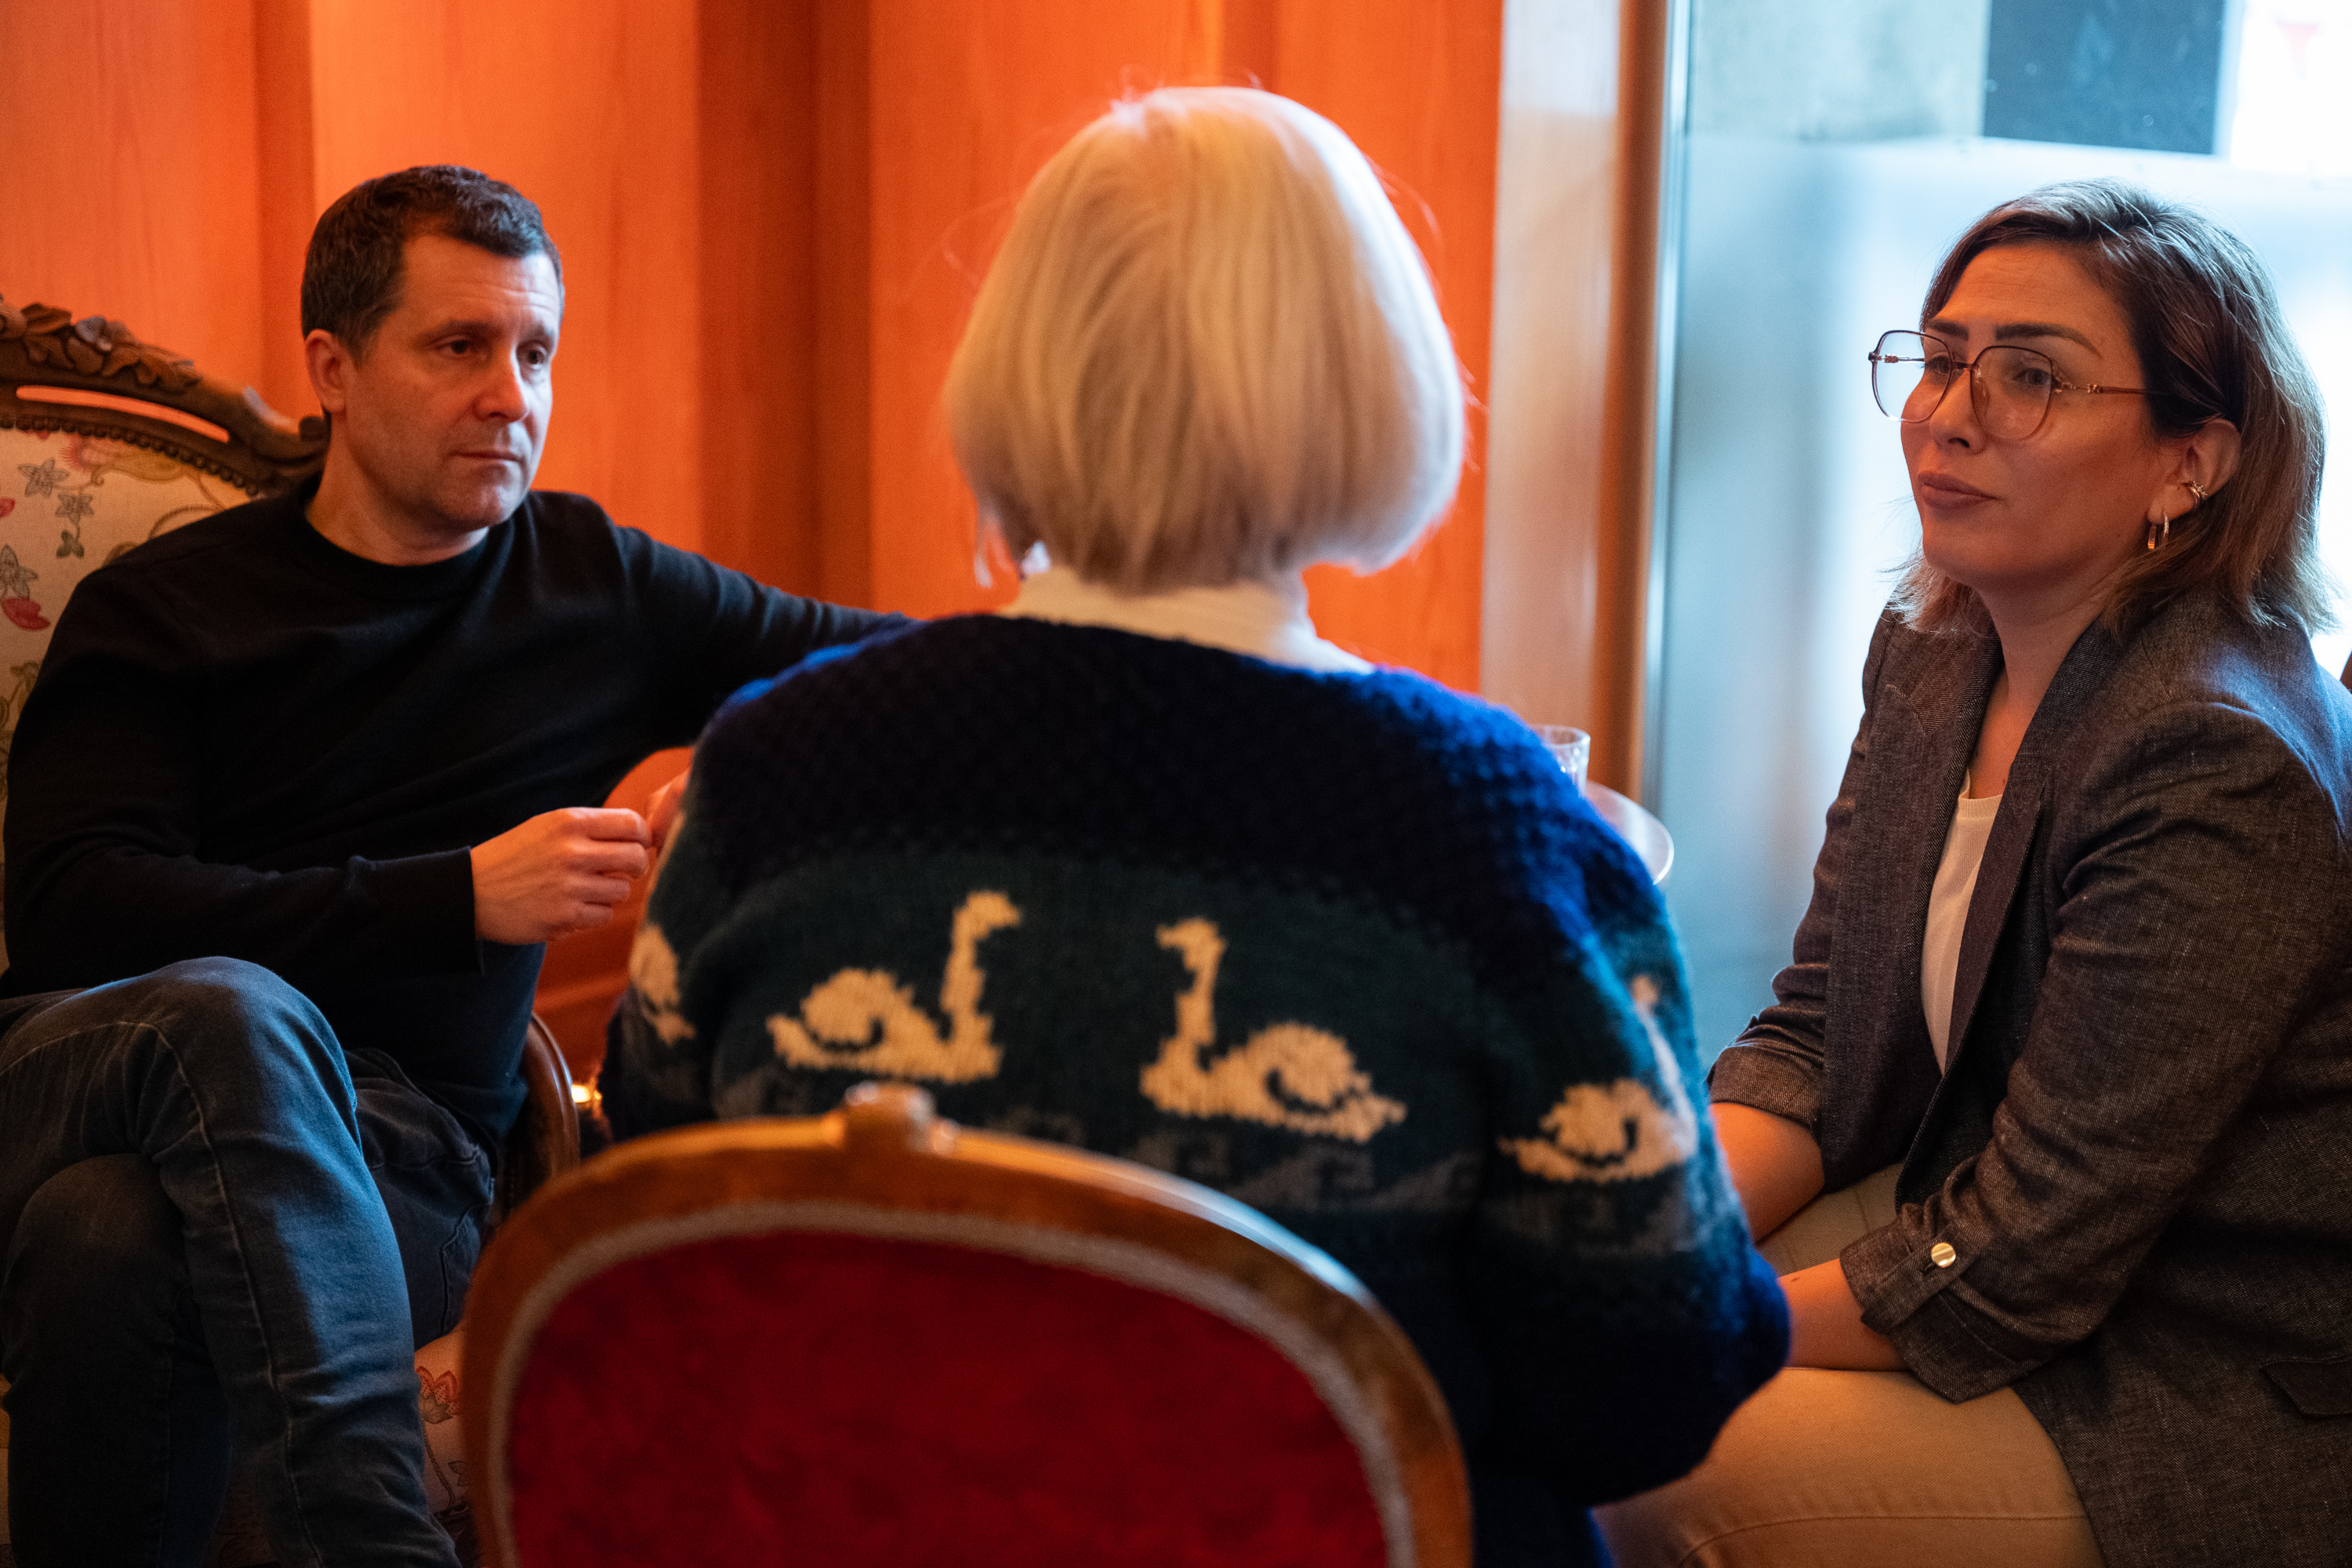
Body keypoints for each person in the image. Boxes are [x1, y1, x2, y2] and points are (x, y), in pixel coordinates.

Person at [600, 87, 1788, 1566]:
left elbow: (655, 1233)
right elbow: (1650, 1385)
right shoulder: (1500, 833)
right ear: (1373, 380)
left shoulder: (770, 771)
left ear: (1016, 373)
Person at [0, 165, 895, 1567]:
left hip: (395, 1160)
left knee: (108, 1246)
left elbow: (901, 671)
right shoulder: (169, 610)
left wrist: (761, 744)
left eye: (535, 352)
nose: (513, 395)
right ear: (334, 368)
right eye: (461, 347)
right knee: (230, 1013)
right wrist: (453, 895)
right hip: (82, 1078)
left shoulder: (588, 583)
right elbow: (65, 913)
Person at [1597, 181, 2352, 1568]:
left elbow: (2036, 1248)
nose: (1949, 415)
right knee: (1579, 1322)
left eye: (2030, 380)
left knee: (1660, 1454)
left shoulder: (2212, 754)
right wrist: (1651, 1222)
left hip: (2204, 1358)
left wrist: (1698, 1313)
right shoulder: (1941, 647)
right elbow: (1818, 1033)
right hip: (1985, 1205)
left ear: (2192, 464)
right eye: (1943, 359)